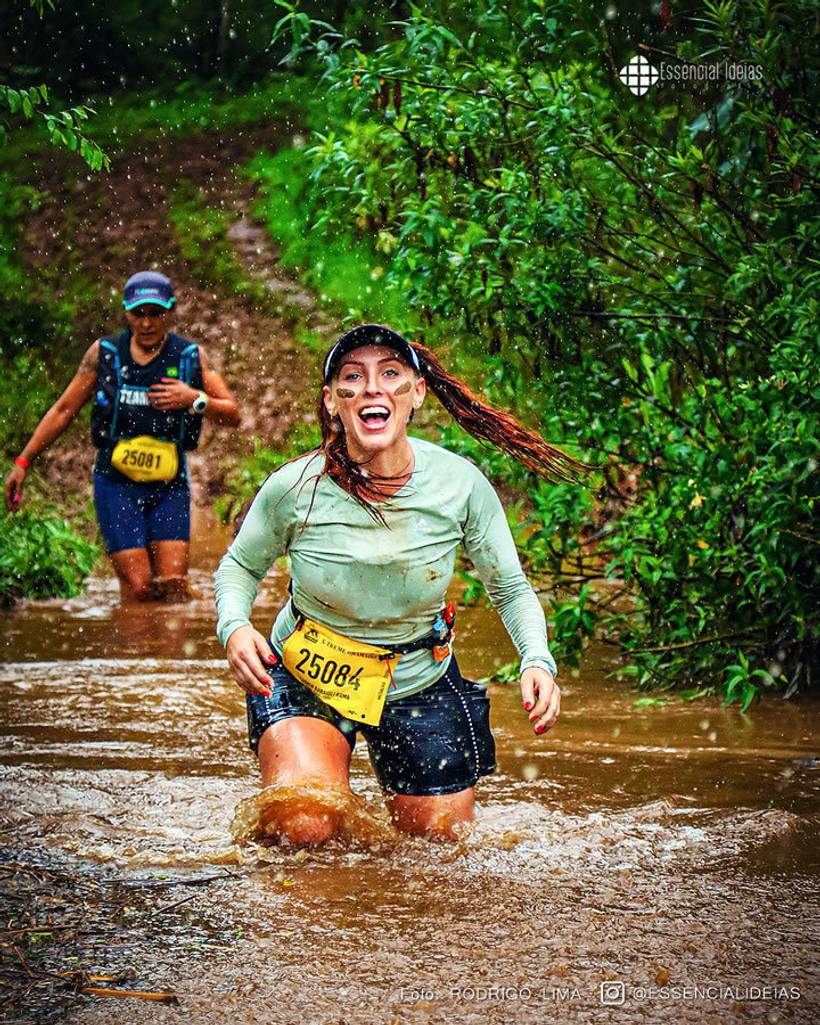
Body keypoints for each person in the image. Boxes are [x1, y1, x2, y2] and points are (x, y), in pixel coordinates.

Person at [215, 324, 590, 844]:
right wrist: (234, 628)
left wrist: (537, 661)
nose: (372, 388)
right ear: (332, 402)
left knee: (438, 850)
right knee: (303, 826)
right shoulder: (293, 487)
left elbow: (509, 588)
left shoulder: (460, 486)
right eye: (353, 377)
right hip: (307, 673)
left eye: (390, 374)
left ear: (416, 394)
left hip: (418, 680)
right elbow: (239, 567)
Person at [5, 271, 240, 602]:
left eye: (155, 314)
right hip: (116, 484)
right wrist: (23, 462)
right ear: (126, 312)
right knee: (139, 587)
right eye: (138, 314)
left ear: (170, 312)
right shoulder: (104, 354)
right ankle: (134, 648)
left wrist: (194, 399)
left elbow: (233, 413)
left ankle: (163, 654)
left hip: (169, 483)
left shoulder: (190, 357)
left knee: (173, 587)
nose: (146, 323)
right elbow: (63, 410)